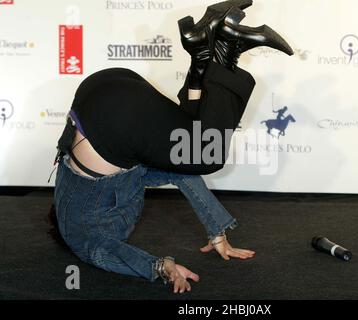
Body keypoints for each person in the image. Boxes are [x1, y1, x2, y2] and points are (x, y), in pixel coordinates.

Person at [49, 0, 293, 294]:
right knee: (189, 140)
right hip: (102, 89)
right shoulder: (76, 192)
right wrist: (217, 232)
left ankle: (225, 54)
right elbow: (181, 173)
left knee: (208, 155)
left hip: (113, 123)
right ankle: (201, 51)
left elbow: (106, 253)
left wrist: (161, 266)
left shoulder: (79, 236)